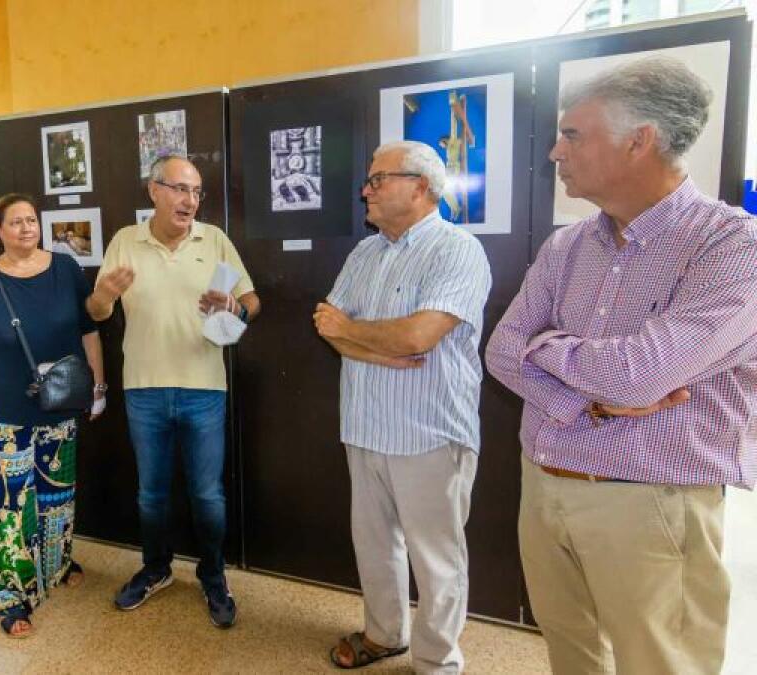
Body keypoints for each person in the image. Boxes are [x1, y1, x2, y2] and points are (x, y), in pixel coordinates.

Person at [485, 56, 757, 675]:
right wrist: (589, 401)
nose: (556, 151)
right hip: (545, 484)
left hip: (652, 501)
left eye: (573, 134)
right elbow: (501, 351)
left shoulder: (732, 245)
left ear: (641, 140)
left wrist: (546, 348)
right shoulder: (567, 245)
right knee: (571, 656)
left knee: (660, 663)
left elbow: (642, 374)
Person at [313, 140, 491, 673]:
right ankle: (385, 634)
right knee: (374, 544)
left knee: (437, 559)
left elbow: (420, 334)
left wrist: (361, 334)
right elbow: (329, 327)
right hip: (365, 425)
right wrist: (376, 346)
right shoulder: (364, 252)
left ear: (420, 187)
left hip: (430, 432)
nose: (366, 189)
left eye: (378, 179)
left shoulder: (457, 250)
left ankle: (437, 661)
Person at [86, 154, 260, 628]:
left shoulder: (214, 240)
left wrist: (233, 308)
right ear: (154, 191)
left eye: (197, 191)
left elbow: (250, 301)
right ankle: (156, 568)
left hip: (204, 389)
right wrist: (102, 297)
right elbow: (99, 312)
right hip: (143, 389)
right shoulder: (126, 241)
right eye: (180, 189)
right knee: (151, 496)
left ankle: (214, 575)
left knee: (208, 496)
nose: (190, 200)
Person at [0, 193, 107, 638]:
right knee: (9, 506)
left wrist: (98, 388)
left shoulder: (65, 269)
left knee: (56, 496)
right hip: (6, 412)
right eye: (15, 222)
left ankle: (55, 564)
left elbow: (89, 332)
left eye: (32, 220)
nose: (26, 228)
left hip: (60, 406)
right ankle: (10, 595)